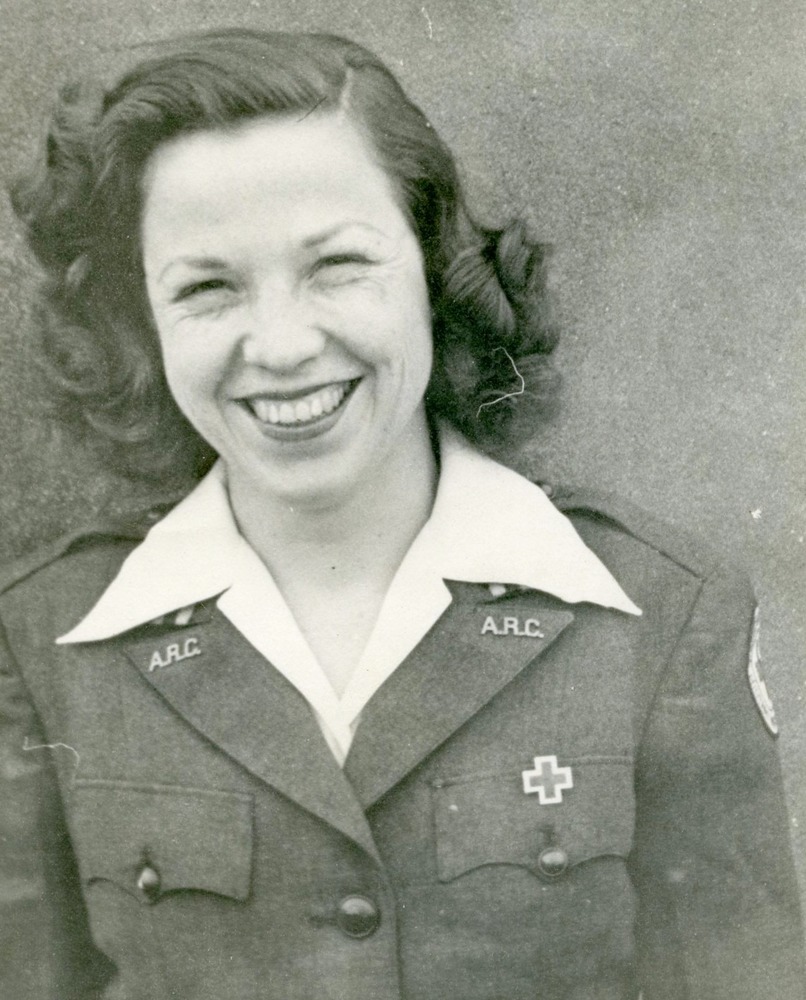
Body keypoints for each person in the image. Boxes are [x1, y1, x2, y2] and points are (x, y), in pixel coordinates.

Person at [0, 27, 802, 1000]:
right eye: (207, 287)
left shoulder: (659, 615)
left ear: (432, 270)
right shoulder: (41, 638)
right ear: (143, 320)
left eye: (338, 265)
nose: (283, 343)